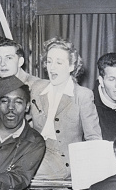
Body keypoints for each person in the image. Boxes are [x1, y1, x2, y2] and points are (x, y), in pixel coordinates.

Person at [29, 37, 102, 180]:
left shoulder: (82, 95)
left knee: (22, 172)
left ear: (71, 66)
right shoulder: (37, 88)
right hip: (34, 150)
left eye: (59, 62)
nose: (52, 68)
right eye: (49, 61)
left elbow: (94, 138)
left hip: (63, 158)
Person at [0, 37, 41, 119]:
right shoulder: (1, 88)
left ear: (20, 62)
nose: (2, 64)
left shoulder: (37, 87)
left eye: (9, 58)